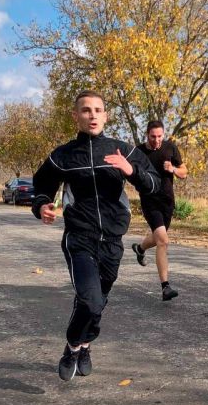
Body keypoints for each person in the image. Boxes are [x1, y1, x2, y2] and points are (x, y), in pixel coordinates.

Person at [32, 91, 161, 381]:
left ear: (106, 115)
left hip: (113, 241)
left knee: (98, 301)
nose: (92, 115)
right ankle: (72, 346)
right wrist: (42, 206)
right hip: (80, 238)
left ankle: (85, 345)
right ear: (75, 116)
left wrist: (132, 171)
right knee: (89, 299)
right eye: (86, 110)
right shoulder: (63, 155)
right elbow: (41, 185)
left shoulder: (121, 150)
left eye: (98, 110)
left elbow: (154, 184)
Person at [131, 120, 188, 300]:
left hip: (167, 201)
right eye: (153, 137)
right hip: (150, 201)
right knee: (163, 240)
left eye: (159, 136)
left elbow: (184, 172)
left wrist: (173, 169)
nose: (156, 140)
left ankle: (140, 248)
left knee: (158, 238)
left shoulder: (170, 148)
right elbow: (131, 174)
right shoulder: (139, 152)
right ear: (147, 135)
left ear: (164, 134)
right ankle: (165, 287)